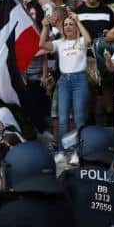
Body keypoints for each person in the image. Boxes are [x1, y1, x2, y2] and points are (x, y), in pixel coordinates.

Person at [39, 11, 93, 149]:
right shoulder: (60, 43)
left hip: (79, 79)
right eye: (66, 25)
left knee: (79, 117)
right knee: (63, 119)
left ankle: (80, 149)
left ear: (75, 27)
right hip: (64, 80)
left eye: (71, 24)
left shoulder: (80, 41)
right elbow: (42, 44)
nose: (68, 27)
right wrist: (45, 27)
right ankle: (63, 150)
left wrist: (78, 20)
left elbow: (88, 40)